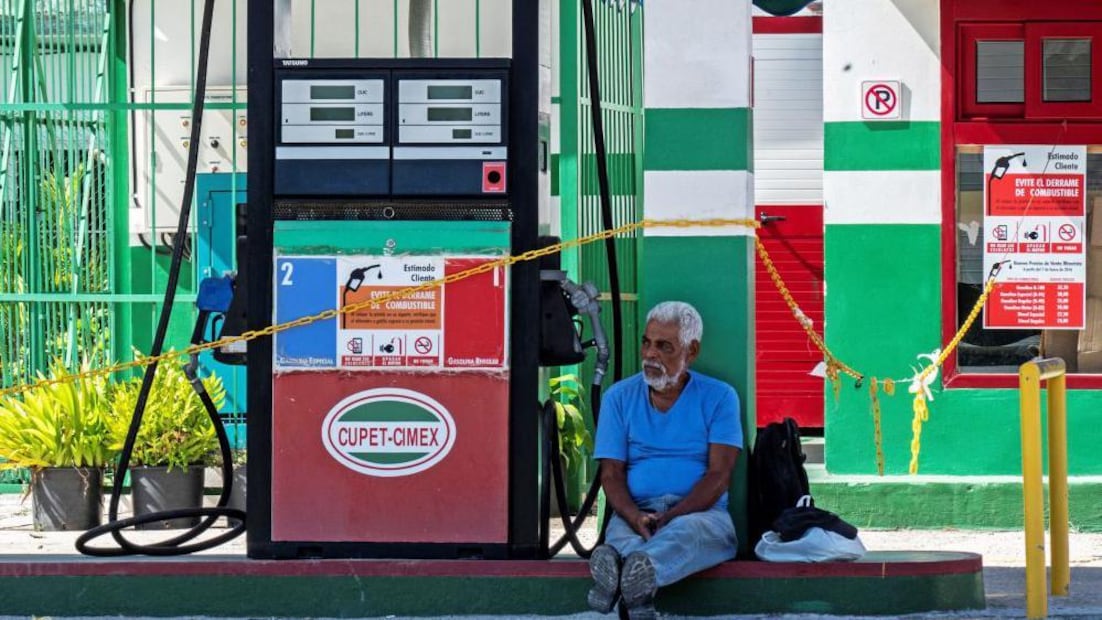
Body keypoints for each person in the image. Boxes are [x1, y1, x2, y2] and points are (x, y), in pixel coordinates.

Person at [588, 301, 742, 619]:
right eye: (646, 342)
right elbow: (611, 474)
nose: (650, 354)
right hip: (635, 514)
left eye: (664, 346)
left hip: (700, 514)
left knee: (690, 535)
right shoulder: (617, 398)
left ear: (692, 351)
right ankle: (637, 583)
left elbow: (719, 475)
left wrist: (671, 517)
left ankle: (623, 572)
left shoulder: (720, 397)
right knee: (620, 533)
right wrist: (635, 517)